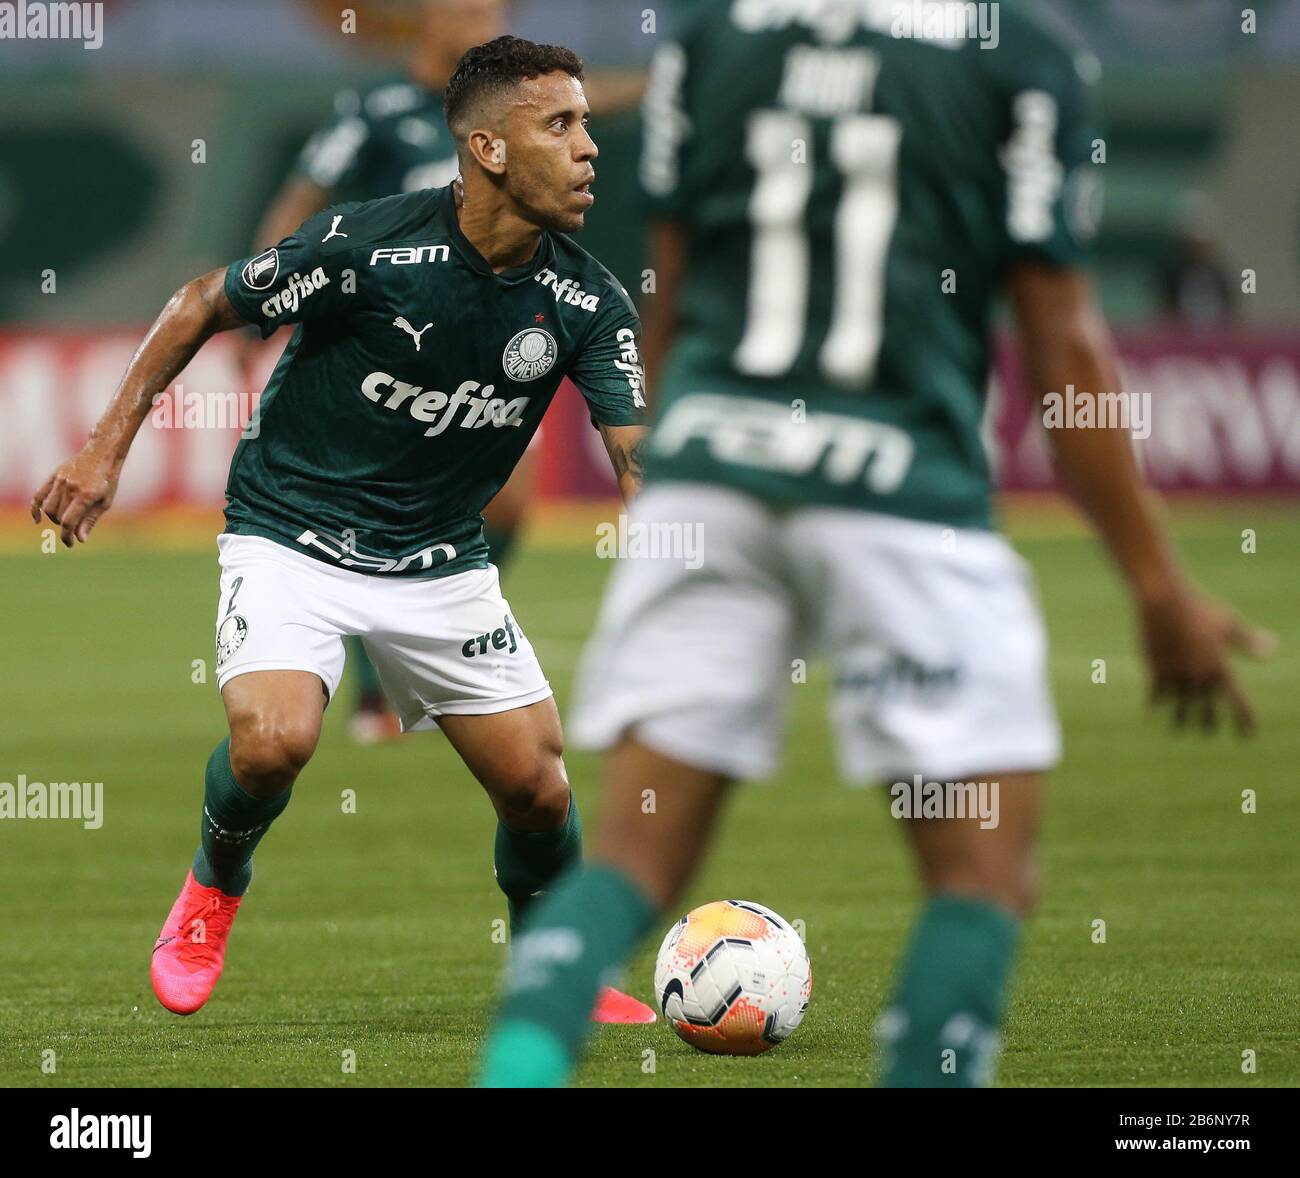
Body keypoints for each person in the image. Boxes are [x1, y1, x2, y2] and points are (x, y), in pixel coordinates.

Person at [477, 0, 1274, 1086]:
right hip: (905, 496)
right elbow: (1059, 336)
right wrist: (1155, 581)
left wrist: (677, 490)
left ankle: (514, 1068)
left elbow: (671, 289)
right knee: (979, 874)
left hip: (714, 477)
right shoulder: (1023, 54)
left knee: (629, 856)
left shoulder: (714, 35)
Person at [32, 35, 654, 1026]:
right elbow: (202, 301)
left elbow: (637, 457)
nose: (589, 150)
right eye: (560, 125)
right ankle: (211, 887)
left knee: (538, 790)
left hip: (440, 559)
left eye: (586, 123)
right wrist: (104, 450)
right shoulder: (367, 247)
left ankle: (554, 967)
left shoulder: (585, 301)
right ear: (488, 148)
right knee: (275, 740)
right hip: (293, 530)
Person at [252, 0, 645, 741]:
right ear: (431, 20)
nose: (484, 19)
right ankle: (376, 686)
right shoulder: (376, 111)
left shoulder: (524, 109)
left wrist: (660, 82)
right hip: (385, 339)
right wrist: (269, 287)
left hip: (484, 344)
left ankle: (416, 646)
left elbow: (589, 100)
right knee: (379, 505)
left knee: (509, 504)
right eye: (470, 9)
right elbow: (303, 197)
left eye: (493, 9)